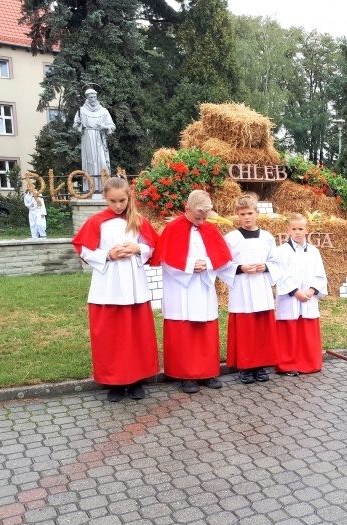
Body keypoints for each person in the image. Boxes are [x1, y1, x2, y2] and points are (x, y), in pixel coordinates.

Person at [71, 176, 160, 402]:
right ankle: (115, 382)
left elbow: (153, 246)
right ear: (105, 199)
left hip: (133, 285)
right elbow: (83, 249)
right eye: (113, 201)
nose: (118, 205)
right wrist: (108, 255)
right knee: (112, 337)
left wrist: (137, 248)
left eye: (122, 200)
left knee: (136, 335)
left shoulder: (138, 221)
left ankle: (137, 379)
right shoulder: (97, 222)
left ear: (128, 197)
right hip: (108, 286)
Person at [152, 190, 232, 394]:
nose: (202, 221)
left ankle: (208, 372)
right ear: (186, 209)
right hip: (181, 289)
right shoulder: (173, 228)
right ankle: (185, 374)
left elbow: (222, 258)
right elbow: (166, 260)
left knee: (205, 330)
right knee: (184, 331)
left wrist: (207, 264)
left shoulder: (209, 229)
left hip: (203, 286)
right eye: (198, 217)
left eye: (205, 218)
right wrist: (189, 266)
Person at [219, 194, 282, 384]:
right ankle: (245, 367)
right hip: (242, 288)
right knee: (245, 329)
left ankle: (261, 365)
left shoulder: (267, 237)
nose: (247, 217)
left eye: (250, 213)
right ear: (237, 215)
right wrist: (240, 268)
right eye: (242, 214)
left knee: (262, 329)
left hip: (261, 287)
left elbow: (277, 262)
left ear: (257, 213)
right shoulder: (230, 238)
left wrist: (266, 266)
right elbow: (222, 264)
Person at [274, 213, 328, 375]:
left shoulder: (313, 251)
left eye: (301, 229)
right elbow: (281, 274)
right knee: (289, 332)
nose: (297, 232)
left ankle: (309, 363)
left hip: (308, 297)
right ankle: (288, 364)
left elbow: (320, 273)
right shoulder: (281, 251)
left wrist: (311, 290)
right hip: (290, 297)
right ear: (288, 230)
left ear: (307, 230)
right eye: (294, 229)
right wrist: (295, 292)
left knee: (307, 332)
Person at [73, 88, 115, 193]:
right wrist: (78, 124)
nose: (93, 99)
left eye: (94, 97)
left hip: (100, 138)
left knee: (102, 161)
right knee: (90, 162)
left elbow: (112, 126)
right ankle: (91, 188)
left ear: (97, 97)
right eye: (90, 97)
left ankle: (104, 187)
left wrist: (104, 127)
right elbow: (75, 126)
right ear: (87, 98)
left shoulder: (103, 111)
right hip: (88, 137)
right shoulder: (81, 110)